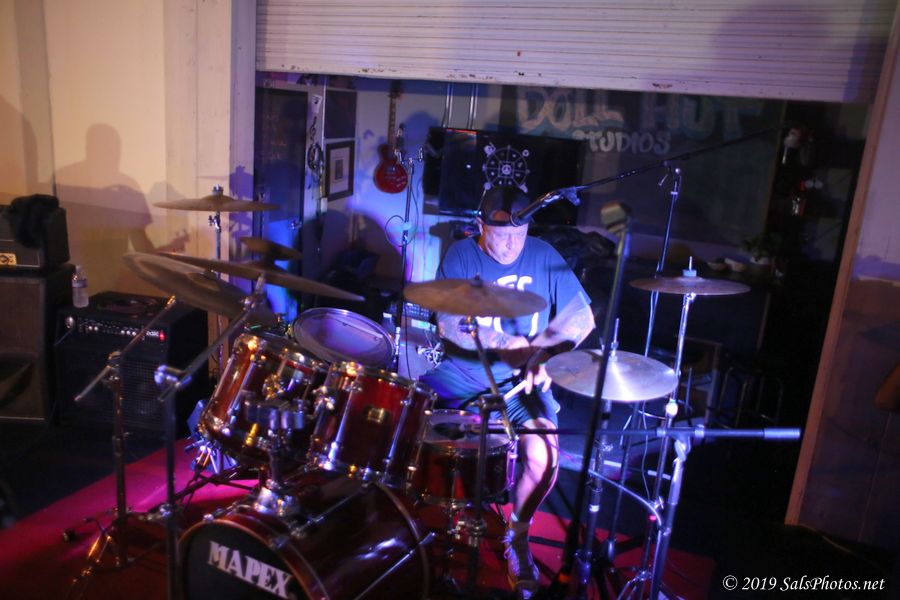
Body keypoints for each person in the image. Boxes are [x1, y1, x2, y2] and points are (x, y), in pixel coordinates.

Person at [420, 186, 595, 598]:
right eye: (502, 236)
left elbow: (582, 316)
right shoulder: (462, 256)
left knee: (545, 454)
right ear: (480, 226)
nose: (512, 245)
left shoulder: (544, 254)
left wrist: (548, 353)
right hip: (463, 374)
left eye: (519, 234)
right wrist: (507, 344)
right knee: (405, 417)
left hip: (521, 386)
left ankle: (517, 533)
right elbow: (449, 324)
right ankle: (408, 522)